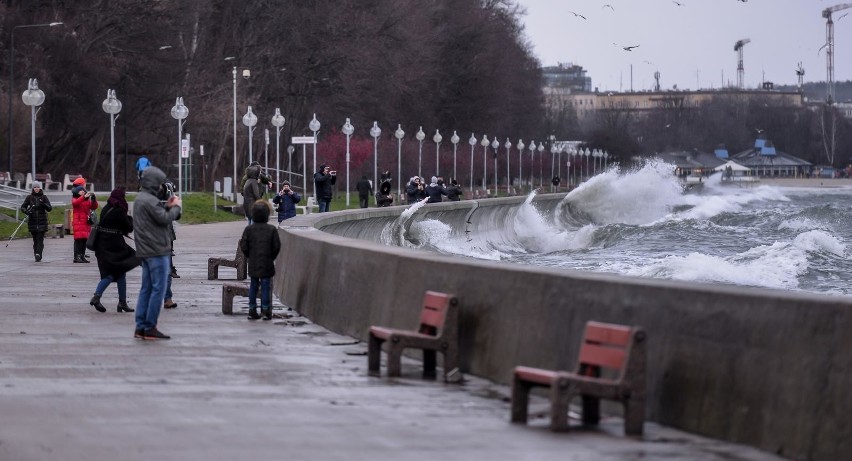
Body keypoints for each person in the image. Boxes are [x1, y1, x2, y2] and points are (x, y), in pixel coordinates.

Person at [133, 166, 182, 340]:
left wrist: (167, 207)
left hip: (145, 251)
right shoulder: (150, 201)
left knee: (146, 289)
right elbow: (165, 219)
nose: (162, 186)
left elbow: (156, 218)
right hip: (157, 251)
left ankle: (140, 326)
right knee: (158, 290)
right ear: (154, 183)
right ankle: (150, 326)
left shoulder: (141, 199)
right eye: (160, 183)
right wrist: (176, 207)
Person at [89, 188, 139, 314]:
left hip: (103, 244)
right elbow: (128, 227)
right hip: (114, 246)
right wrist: (130, 218)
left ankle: (121, 303)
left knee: (120, 273)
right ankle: (97, 297)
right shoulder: (119, 210)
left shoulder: (107, 207)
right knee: (113, 273)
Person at [239, 200, 281, 321]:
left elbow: (244, 245)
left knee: (253, 286)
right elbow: (276, 246)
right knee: (266, 286)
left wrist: (249, 256)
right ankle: (266, 309)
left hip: (253, 262)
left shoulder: (249, 230)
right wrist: (271, 257)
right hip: (267, 263)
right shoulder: (272, 229)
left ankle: (252, 309)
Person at [20, 180, 53, 262]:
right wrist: (26, 211)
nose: (36, 189)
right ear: (33, 188)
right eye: (35, 187)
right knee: (35, 240)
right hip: (32, 222)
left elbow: (49, 208)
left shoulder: (44, 197)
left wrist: (43, 204)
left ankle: (39, 254)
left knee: (40, 239)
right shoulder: (29, 197)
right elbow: (23, 207)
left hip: (42, 222)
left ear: (40, 188)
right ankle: (36, 254)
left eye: (38, 187)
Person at [71, 177, 98, 263]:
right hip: (78, 222)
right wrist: (83, 197)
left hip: (85, 222)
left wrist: (94, 200)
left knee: (84, 241)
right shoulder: (75, 198)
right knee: (79, 241)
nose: (83, 192)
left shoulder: (86, 200)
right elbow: (75, 203)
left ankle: (82, 256)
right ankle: (77, 256)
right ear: (77, 192)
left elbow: (93, 207)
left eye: (83, 191)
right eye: (81, 191)